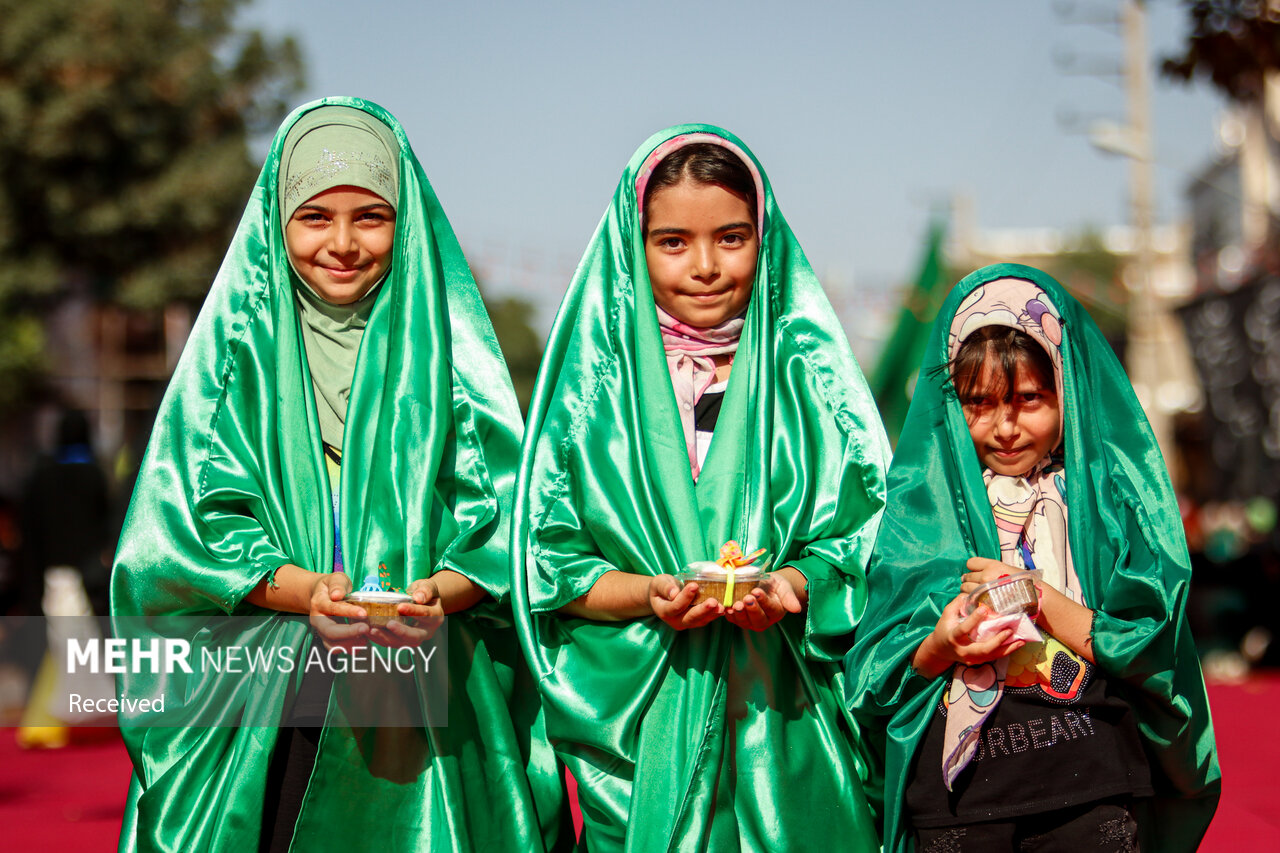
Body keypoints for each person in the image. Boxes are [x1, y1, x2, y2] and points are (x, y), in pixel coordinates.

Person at [111, 98, 566, 852]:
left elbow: (506, 531)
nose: (344, 243)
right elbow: (183, 534)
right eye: (315, 217)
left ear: (407, 223)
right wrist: (305, 591)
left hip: (426, 705)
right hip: (267, 699)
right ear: (278, 222)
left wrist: (434, 595)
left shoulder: (455, 366)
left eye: (372, 217)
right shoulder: (233, 365)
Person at [511, 125, 889, 851]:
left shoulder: (812, 386)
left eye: (733, 237)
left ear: (764, 239)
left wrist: (791, 587)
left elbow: (866, 543)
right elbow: (548, 567)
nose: (707, 266)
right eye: (674, 241)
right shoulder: (591, 398)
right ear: (635, 246)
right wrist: (649, 593)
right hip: (634, 733)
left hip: (786, 728)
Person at [844, 265, 1221, 852]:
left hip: (1090, 780)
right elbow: (877, 677)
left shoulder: (1109, 506)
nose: (1006, 426)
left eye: (1029, 399)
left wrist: (1039, 599)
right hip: (961, 800)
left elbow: (1149, 640)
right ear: (949, 406)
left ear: (1067, 391)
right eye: (978, 402)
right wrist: (944, 643)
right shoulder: (918, 518)